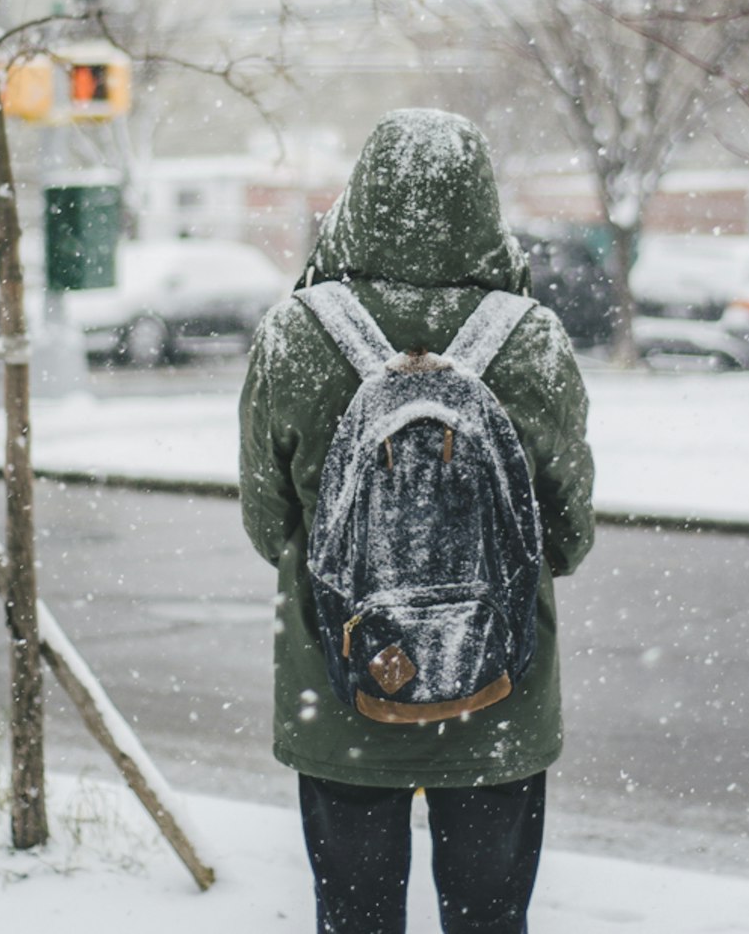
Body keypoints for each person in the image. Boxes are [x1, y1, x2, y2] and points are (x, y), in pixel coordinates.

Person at [239, 108, 594, 934]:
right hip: (500, 696)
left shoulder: (296, 332)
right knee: (490, 918)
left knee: (355, 919)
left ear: (360, 197)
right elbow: (567, 533)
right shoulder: (532, 339)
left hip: (344, 690)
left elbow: (268, 523)